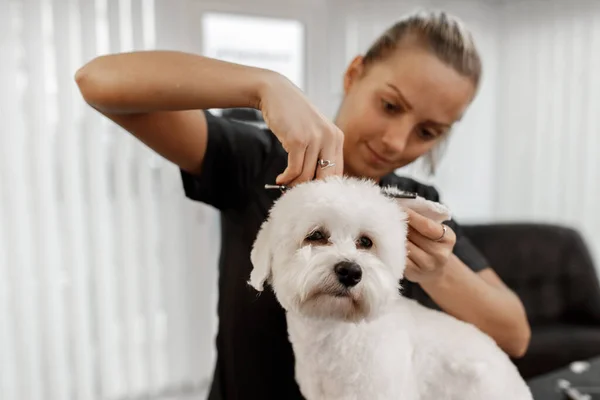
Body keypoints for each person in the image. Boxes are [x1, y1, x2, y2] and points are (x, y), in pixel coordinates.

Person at [75, 10, 531, 400]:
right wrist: (262, 85)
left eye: (427, 132)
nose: (396, 141)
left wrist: (435, 270)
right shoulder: (259, 162)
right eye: (390, 105)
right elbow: (97, 81)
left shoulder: (417, 203)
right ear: (354, 74)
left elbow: (514, 335)